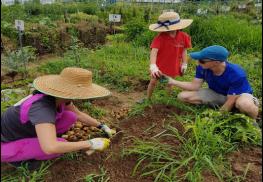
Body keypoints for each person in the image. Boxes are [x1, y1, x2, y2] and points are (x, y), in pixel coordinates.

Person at [1, 67, 115, 169]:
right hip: (6, 144)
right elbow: (50, 147)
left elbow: (79, 114)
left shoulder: (59, 98)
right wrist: (90, 143)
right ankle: (18, 160)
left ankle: (41, 139)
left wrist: (101, 126)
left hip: (25, 130)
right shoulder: (42, 108)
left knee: (71, 116)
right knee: (57, 147)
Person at [167, 45, 259, 119]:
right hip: (218, 94)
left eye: (202, 61)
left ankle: (253, 122)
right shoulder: (203, 67)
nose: (199, 62)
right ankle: (233, 112)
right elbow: (194, 86)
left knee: (244, 104)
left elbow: (231, 100)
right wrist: (173, 82)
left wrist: (216, 118)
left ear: (216, 62)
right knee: (182, 96)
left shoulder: (236, 73)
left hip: (238, 96)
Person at [138, 11, 193, 103]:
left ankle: (167, 100)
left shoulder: (184, 37)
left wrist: (184, 63)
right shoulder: (160, 38)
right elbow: (153, 52)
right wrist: (153, 66)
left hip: (174, 65)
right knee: (153, 82)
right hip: (160, 66)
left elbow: (184, 50)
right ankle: (148, 98)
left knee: (170, 83)